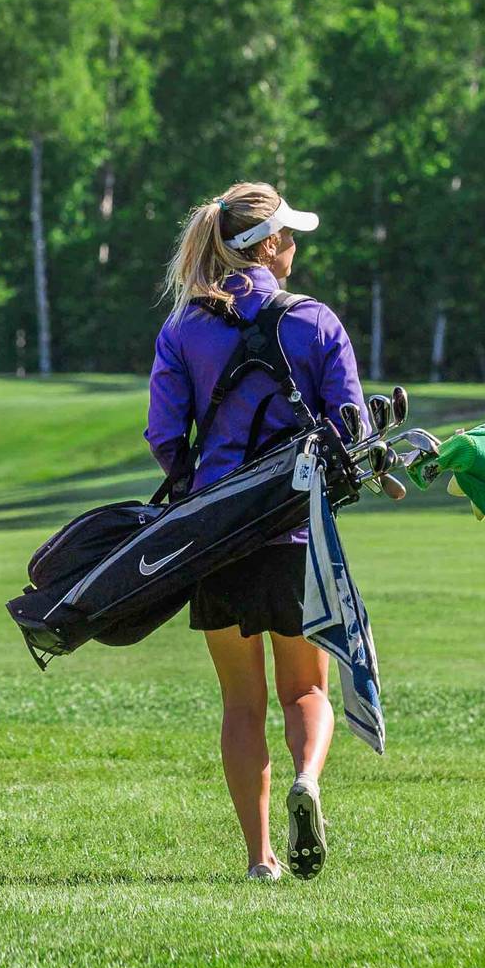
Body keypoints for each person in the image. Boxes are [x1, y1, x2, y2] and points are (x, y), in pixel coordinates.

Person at [145, 182, 364, 883]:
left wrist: (198, 485)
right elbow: (351, 425)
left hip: (215, 535)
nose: (295, 248)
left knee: (241, 702)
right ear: (267, 247)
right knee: (306, 692)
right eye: (289, 237)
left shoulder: (183, 329)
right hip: (298, 535)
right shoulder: (316, 322)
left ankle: (261, 858)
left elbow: (163, 436)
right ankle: (309, 781)